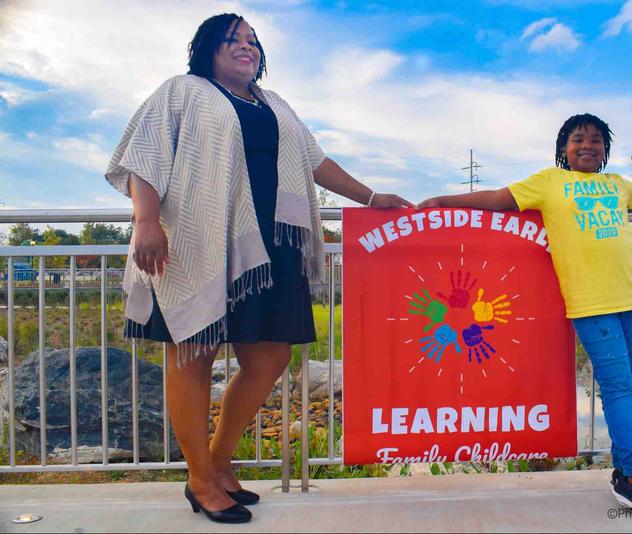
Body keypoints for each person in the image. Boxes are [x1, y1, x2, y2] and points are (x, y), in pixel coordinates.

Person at [105, 13, 412, 524]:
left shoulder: (274, 105)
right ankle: (200, 480)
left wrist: (370, 196)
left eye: (251, 41)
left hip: (270, 247)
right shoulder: (182, 91)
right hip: (197, 242)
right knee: (194, 355)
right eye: (232, 40)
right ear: (208, 49)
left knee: (268, 360)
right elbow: (145, 156)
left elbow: (316, 161)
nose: (245, 47)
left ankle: (219, 461)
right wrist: (146, 219)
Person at [417, 113, 632, 527]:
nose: (588, 145)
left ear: (606, 150)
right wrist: (442, 201)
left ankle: (625, 469)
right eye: (578, 139)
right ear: (563, 149)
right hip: (591, 302)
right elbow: (497, 198)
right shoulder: (549, 182)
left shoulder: (618, 184)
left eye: (596, 140)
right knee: (618, 385)